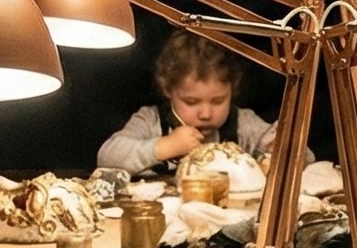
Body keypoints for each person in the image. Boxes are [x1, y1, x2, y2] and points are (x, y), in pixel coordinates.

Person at [95, 29, 304, 174]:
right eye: (191, 101)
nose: (205, 113)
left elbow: (303, 158)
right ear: (168, 89)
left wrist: (281, 149)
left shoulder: (243, 124)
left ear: (233, 89)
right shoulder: (151, 121)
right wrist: (164, 147)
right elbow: (107, 157)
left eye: (218, 101)